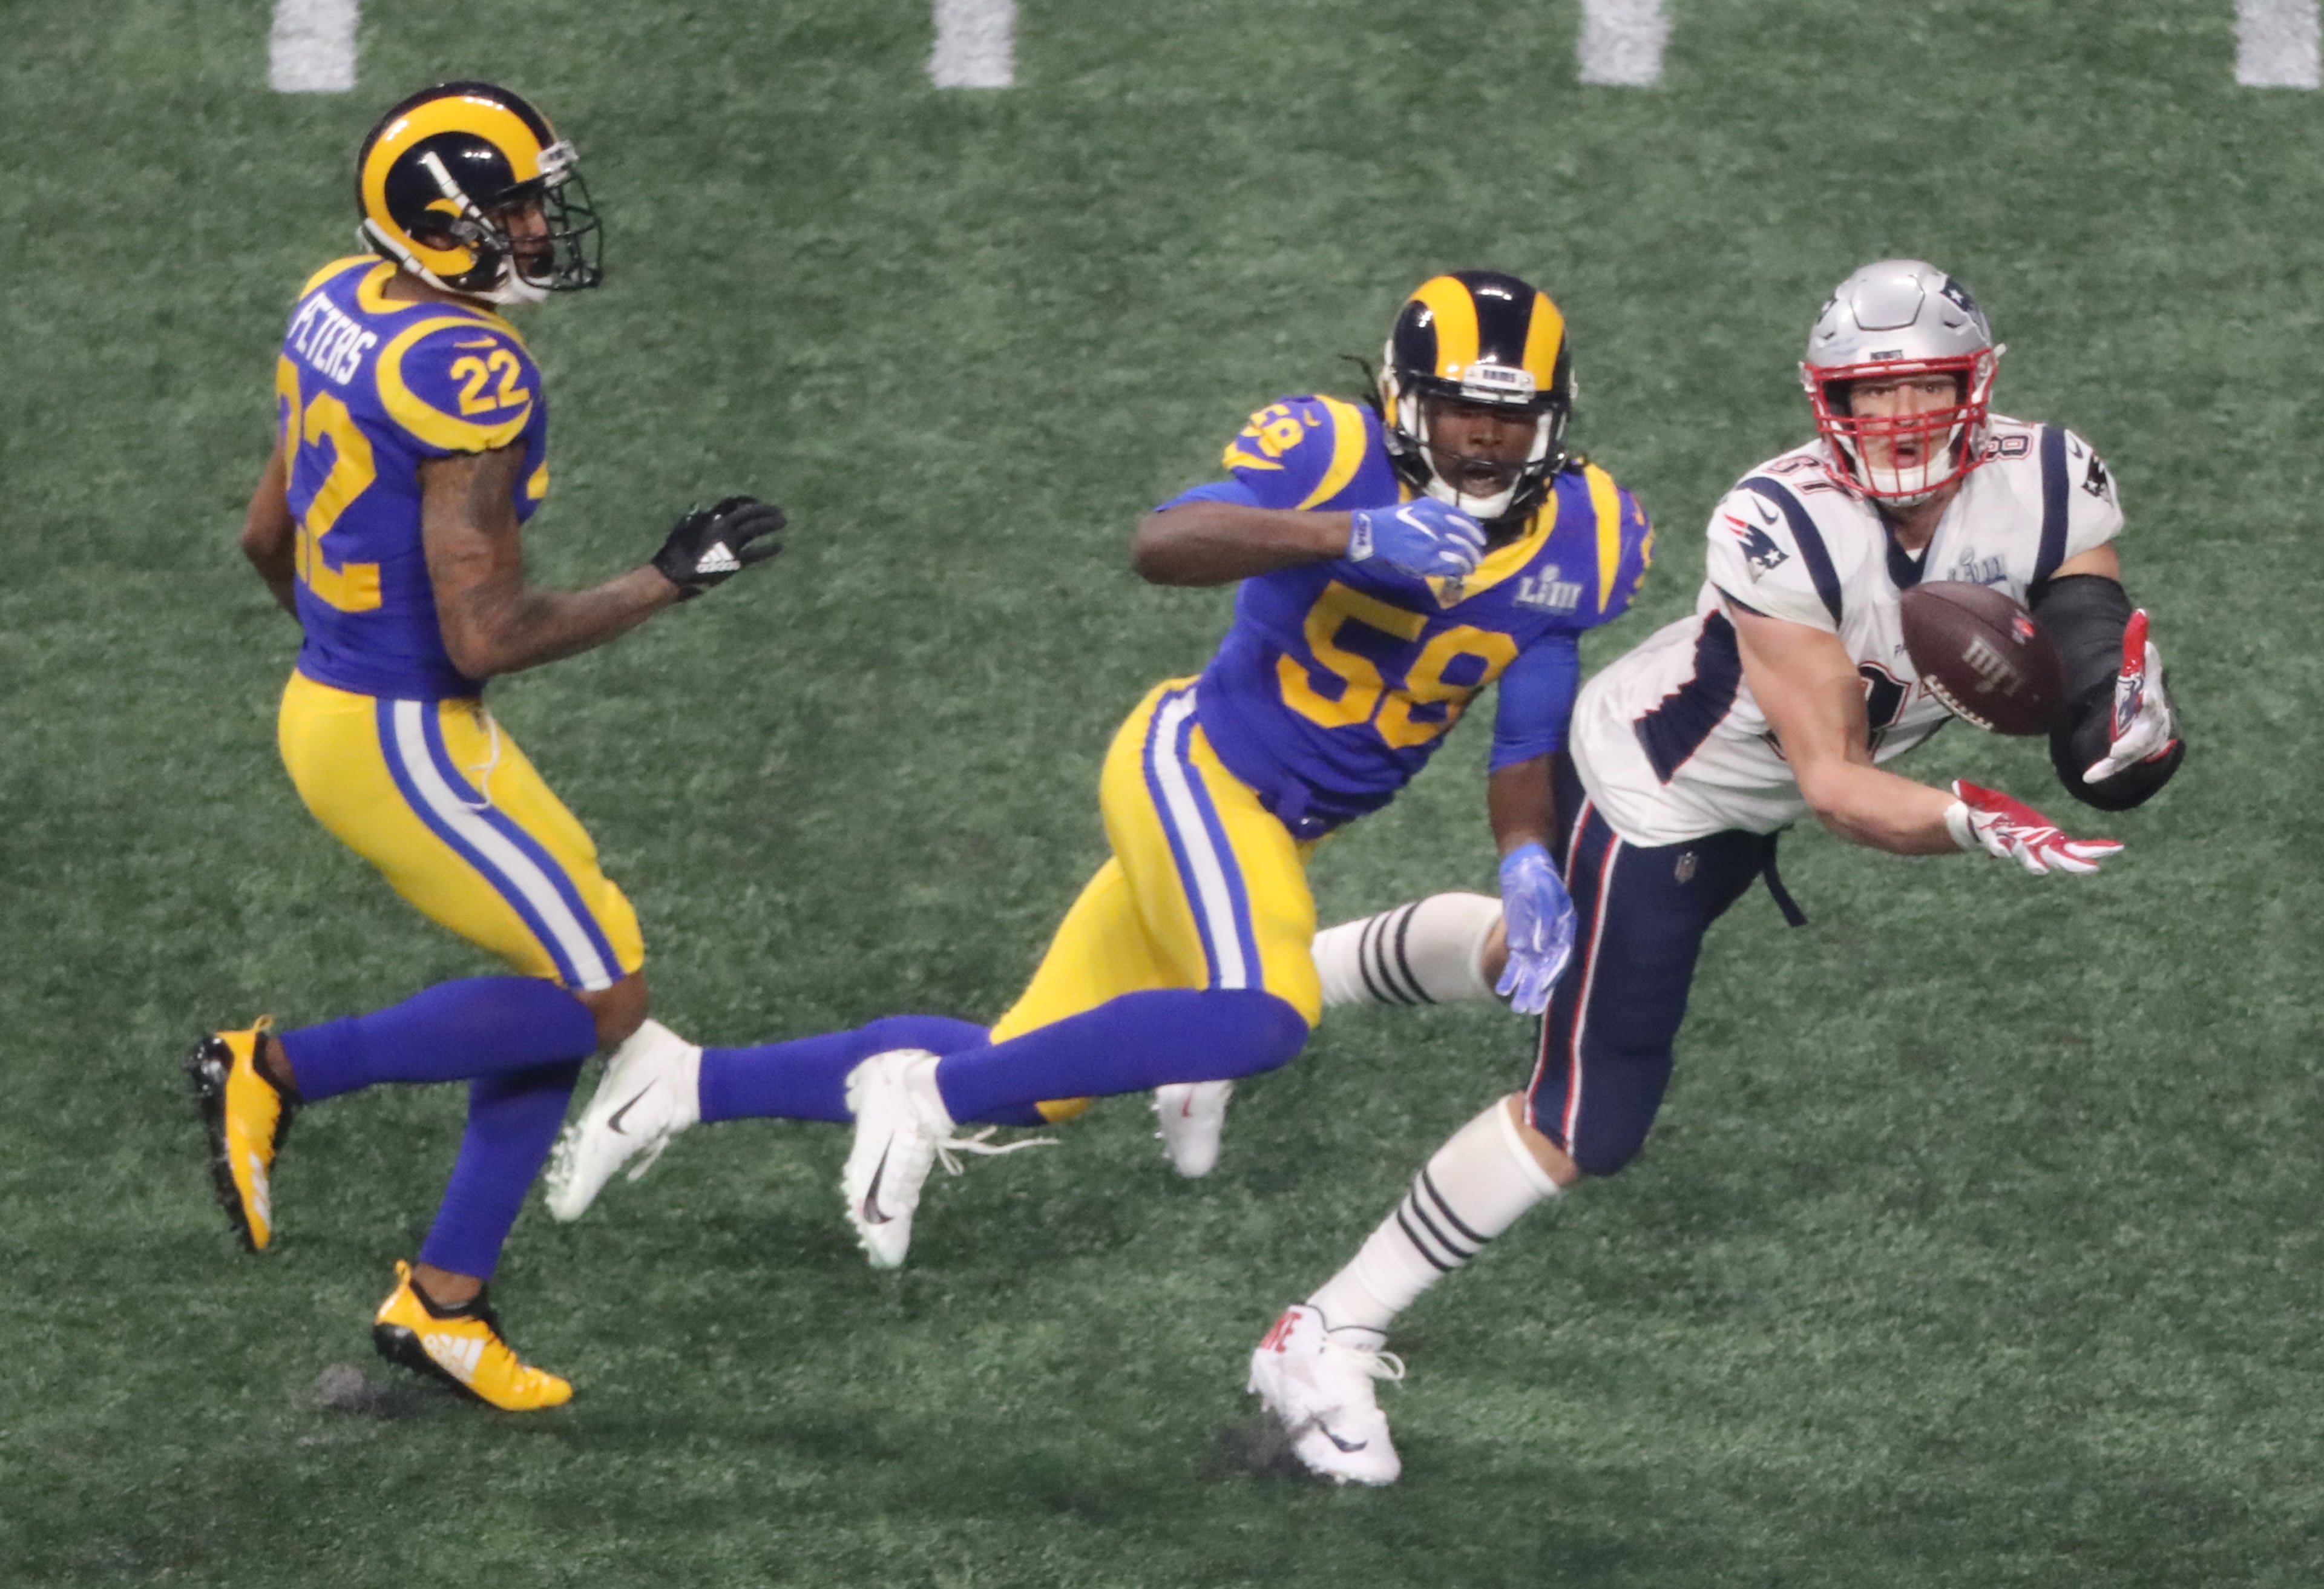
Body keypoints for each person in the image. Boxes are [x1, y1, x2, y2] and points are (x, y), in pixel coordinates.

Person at [1246, 258, 2184, 1484]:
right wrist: (1969, 820)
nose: (1901, 418)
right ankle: (1323, 1332)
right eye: (1873, 392)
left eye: (1926, 387)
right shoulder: (1779, 521)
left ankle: (1275, 982)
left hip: (1736, 802)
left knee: (1530, 956)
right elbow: (1838, 781)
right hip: (1656, 800)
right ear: (1826, 401)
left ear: (1981, 384)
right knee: (1591, 1112)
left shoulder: (2054, 476)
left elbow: (2083, 649)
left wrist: (2126, 725)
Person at [542, 272, 1656, 1271]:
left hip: (1286, 827)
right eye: (1461, 408)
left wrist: (1526, 857)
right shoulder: (1329, 449)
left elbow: (1527, 734)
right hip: (1199, 772)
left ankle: (682, 1080)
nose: (1486, 438)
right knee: (1266, 1014)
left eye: (1513, 415)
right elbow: (1161, 543)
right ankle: (919, 1092)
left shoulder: (1589, 533)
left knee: (1036, 1074)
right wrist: (1351, 534)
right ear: (1406, 401)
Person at [189, 81, 784, 1410]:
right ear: (439, 225)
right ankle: (273, 1068)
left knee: (578, 966)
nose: (533, 227)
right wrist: (670, 578)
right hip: (400, 735)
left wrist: (353, 654)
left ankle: (445, 1301)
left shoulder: (338, 297)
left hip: (351, 709)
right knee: (603, 1000)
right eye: (508, 208)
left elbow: (264, 535)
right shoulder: (472, 371)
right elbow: (488, 633)